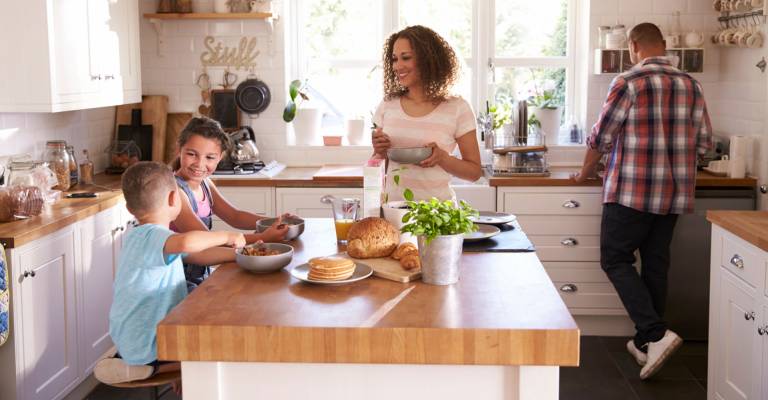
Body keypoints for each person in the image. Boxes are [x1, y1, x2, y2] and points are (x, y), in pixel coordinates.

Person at [572, 23, 712, 380]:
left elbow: (600, 137)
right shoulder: (690, 84)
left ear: (633, 47)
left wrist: (586, 173)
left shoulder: (628, 82)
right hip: (674, 193)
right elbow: (705, 147)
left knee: (615, 259)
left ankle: (655, 333)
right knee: (655, 264)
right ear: (663, 46)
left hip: (631, 191)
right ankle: (647, 343)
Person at [94, 161, 246, 387]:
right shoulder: (153, 236)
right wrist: (227, 236)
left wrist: (240, 256)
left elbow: (198, 255)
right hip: (146, 343)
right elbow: (188, 242)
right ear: (175, 199)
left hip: (132, 337)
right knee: (224, 348)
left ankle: (165, 366)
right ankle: (147, 368)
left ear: (129, 208)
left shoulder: (143, 238)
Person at [170, 116, 290, 288]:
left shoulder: (205, 183)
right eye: (191, 154)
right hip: (176, 281)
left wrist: (274, 222)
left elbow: (234, 215)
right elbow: (208, 239)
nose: (200, 164)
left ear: (220, 158)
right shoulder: (175, 191)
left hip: (201, 274)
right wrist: (262, 237)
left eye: (209, 157)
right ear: (178, 150)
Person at [372, 25, 482, 202]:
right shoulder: (387, 105)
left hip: (437, 216)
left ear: (428, 59)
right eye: (394, 59)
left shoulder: (457, 107)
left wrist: (442, 158)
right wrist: (379, 152)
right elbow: (377, 167)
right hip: (393, 212)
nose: (397, 66)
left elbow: (474, 173)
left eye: (406, 57)